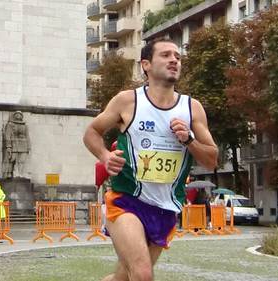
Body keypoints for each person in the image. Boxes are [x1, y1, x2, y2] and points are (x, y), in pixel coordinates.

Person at [83, 38, 218, 281]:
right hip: (127, 201)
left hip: (166, 208)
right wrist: (105, 156)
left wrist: (189, 139)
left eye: (177, 56)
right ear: (146, 64)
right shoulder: (128, 101)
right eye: (166, 55)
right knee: (143, 274)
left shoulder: (192, 108)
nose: (174, 60)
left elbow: (211, 160)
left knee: (124, 277)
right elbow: (91, 133)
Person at [2, 111, 30, 178]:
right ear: (14, 116)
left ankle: (20, 173)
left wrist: (28, 146)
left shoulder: (25, 126)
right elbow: (7, 135)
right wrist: (8, 146)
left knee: (22, 161)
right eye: (17, 114)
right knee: (12, 159)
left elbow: (27, 136)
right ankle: (9, 173)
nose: (18, 115)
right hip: (14, 144)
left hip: (23, 145)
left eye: (20, 114)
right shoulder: (10, 124)